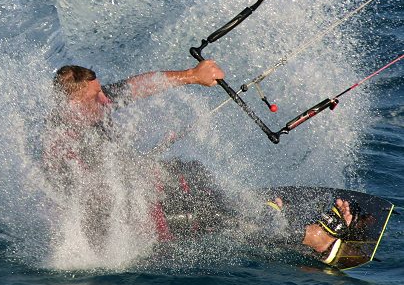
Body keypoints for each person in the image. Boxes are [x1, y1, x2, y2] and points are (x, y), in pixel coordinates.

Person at [41, 61, 356, 261]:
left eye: (100, 91)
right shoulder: (62, 142)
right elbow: (87, 198)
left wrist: (192, 75)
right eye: (95, 98)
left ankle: (262, 218)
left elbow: (137, 86)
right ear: (71, 106)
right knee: (215, 214)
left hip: (138, 193)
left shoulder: (95, 102)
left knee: (192, 171)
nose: (104, 99)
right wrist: (138, 175)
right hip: (122, 226)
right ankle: (315, 239)